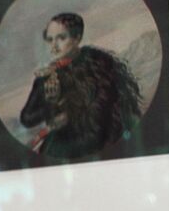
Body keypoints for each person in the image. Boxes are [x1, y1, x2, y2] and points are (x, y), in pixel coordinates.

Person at [19, 11, 143, 160]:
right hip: (65, 144)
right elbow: (26, 118)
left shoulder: (98, 64)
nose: (54, 46)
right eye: (50, 39)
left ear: (77, 38)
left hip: (103, 138)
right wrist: (50, 102)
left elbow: (111, 107)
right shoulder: (46, 77)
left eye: (61, 38)